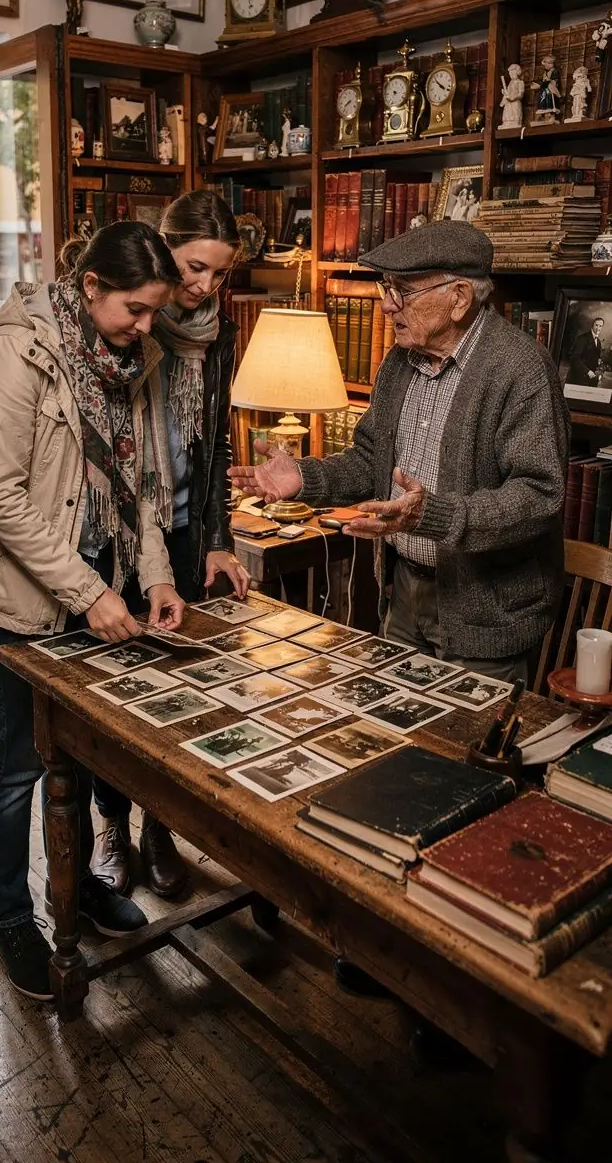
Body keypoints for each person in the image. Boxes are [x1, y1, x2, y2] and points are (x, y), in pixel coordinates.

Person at [230, 221, 570, 1000]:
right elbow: (368, 461)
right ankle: (390, 944)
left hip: (485, 610)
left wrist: (433, 516)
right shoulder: (396, 364)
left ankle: (458, 988)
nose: (387, 305)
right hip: (407, 600)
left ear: (460, 294)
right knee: (394, 767)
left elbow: (539, 497)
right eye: (385, 288)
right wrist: (304, 480)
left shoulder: (520, 369)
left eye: (402, 291)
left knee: (468, 794)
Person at [0, 221, 186, 1000]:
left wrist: (157, 578)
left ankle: (73, 890)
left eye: (155, 313)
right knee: (19, 761)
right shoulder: (12, 356)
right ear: (89, 288)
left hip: (94, 580)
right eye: (136, 310)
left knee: (76, 756)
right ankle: (11, 918)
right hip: (10, 591)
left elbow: (138, 483)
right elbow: (0, 500)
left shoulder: (132, 357)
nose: (148, 329)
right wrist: (92, 593)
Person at [91, 190, 250, 898]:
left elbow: (214, 443)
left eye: (219, 274)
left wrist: (218, 539)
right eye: (193, 267)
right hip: (122, 532)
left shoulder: (223, 332)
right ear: (164, 246)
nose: (203, 287)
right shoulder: (130, 320)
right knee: (114, 693)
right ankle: (110, 829)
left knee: (177, 691)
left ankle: (159, 827)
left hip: (184, 534)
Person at [567, 316, 605, 387]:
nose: (598, 328)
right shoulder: (582, 338)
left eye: (600, 326)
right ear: (592, 325)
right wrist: (587, 371)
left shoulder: (598, 342)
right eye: (596, 325)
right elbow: (574, 358)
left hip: (591, 379)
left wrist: (599, 361)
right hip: (579, 378)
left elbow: (595, 357)